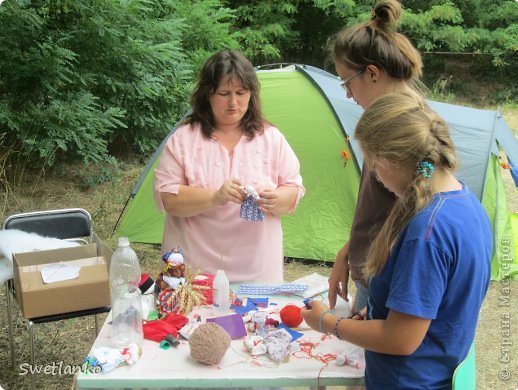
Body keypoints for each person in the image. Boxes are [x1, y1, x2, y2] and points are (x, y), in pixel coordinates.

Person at [302, 91, 492, 389]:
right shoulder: (466, 204)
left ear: (391, 159)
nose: (376, 176)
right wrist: (375, 311)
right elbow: (437, 302)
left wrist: (329, 323)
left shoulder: (427, 232)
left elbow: (401, 339)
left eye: (374, 164)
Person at [153, 49, 305, 283]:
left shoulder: (271, 138)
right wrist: (215, 197)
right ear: (207, 94)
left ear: (251, 94)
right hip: (195, 272)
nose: (233, 102)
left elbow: (293, 190)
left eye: (240, 93)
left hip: (258, 270)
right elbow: (168, 198)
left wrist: (276, 199)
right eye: (224, 93)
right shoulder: (183, 139)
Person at [327, 0, 425, 314]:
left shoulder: (404, 128)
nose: (347, 94)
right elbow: (381, 206)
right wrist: (349, 251)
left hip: (387, 278)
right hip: (372, 270)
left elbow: (415, 215)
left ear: (371, 73)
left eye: (346, 81)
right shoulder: (385, 119)